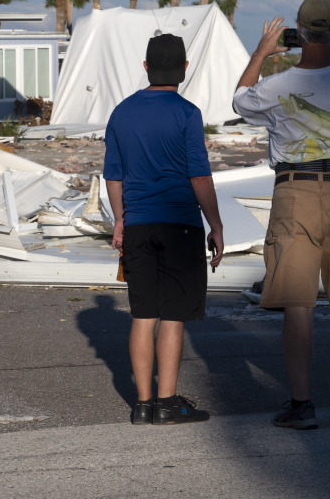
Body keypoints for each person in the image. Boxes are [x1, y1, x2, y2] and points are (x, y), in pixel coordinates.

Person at [232, 0, 330, 430]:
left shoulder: (277, 86)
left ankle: (302, 405)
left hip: (294, 190)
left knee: (298, 303)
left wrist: (262, 52)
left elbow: (240, 100)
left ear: (299, 32)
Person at [104, 32, 224, 426]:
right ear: (185, 69)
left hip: (138, 225)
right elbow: (199, 176)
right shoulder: (187, 113)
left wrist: (120, 220)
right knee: (172, 316)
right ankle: (168, 403)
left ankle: (141, 405)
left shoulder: (121, 112)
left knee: (142, 315)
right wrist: (216, 224)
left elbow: (113, 176)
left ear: (146, 68)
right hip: (179, 226)